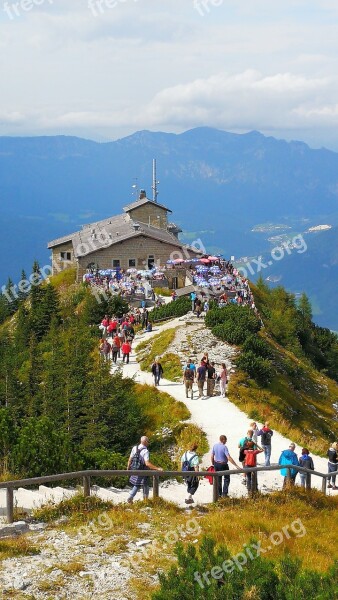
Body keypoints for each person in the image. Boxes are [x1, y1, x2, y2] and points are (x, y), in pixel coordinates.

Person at [127, 436, 163, 503]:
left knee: (137, 484)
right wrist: (157, 468)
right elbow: (147, 463)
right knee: (145, 484)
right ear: (145, 442)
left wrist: (128, 469)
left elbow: (130, 459)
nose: (148, 443)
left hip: (134, 469)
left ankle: (130, 497)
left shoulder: (135, 448)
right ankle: (145, 500)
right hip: (143, 470)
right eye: (148, 441)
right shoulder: (145, 451)